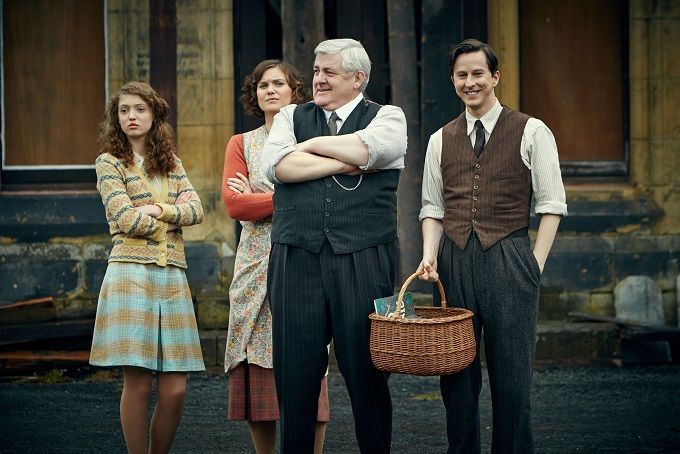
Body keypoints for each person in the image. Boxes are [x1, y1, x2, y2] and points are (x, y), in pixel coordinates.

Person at [417, 39, 567, 453]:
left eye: (478, 73)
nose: (470, 82)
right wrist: (430, 253)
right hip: (453, 258)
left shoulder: (532, 130)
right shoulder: (439, 139)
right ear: (453, 80)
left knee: (512, 378)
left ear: (495, 77)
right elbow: (432, 208)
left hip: (510, 257)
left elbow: (552, 204)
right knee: (456, 376)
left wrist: (533, 266)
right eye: (461, 75)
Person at [261, 38, 407, 453]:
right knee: (294, 375)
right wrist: (347, 161)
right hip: (295, 255)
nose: (318, 79)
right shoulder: (290, 115)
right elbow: (278, 167)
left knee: (368, 374)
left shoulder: (388, 117)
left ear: (358, 78)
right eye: (316, 71)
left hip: (365, 257)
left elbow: (372, 148)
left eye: (329, 71)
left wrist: (308, 146)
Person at [90, 81, 205, 454]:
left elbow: (197, 210)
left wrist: (157, 209)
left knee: (175, 389)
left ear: (154, 115)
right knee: (138, 384)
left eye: (139, 109)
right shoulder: (109, 163)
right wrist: (171, 219)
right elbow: (124, 219)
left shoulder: (171, 163)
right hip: (129, 274)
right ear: (116, 117)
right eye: (124, 110)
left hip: (172, 275)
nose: (131, 116)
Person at [221, 59, 329, 454]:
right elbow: (235, 206)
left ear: (294, 91)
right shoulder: (241, 143)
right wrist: (289, 195)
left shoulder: (312, 139)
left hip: (303, 255)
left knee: (308, 354)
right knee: (256, 359)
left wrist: (262, 196)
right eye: (263, 84)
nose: (270, 90)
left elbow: (322, 195)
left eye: (279, 83)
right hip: (255, 262)